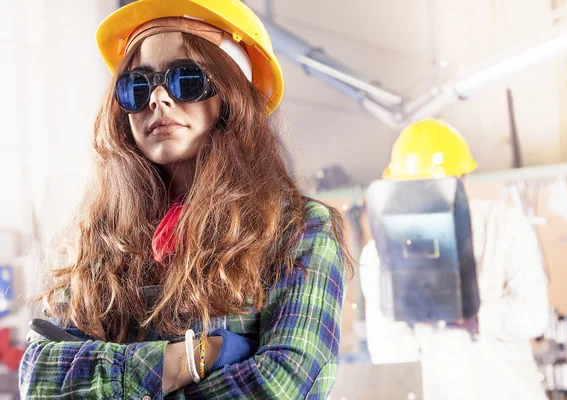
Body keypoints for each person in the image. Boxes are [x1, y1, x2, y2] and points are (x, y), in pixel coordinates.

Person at [19, 1, 353, 399]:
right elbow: (39, 376)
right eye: (137, 86)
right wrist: (193, 358)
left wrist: (116, 381)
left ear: (233, 98)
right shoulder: (102, 238)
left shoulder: (300, 230)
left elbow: (282, 383)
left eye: (187, 79)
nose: (157, 99)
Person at [359, 118, 549, 400]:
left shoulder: (505, 225)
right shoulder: (378, 255)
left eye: (435, 187)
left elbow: (534, 317)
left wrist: (470, 316)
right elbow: (388, 353)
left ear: (462, 181)